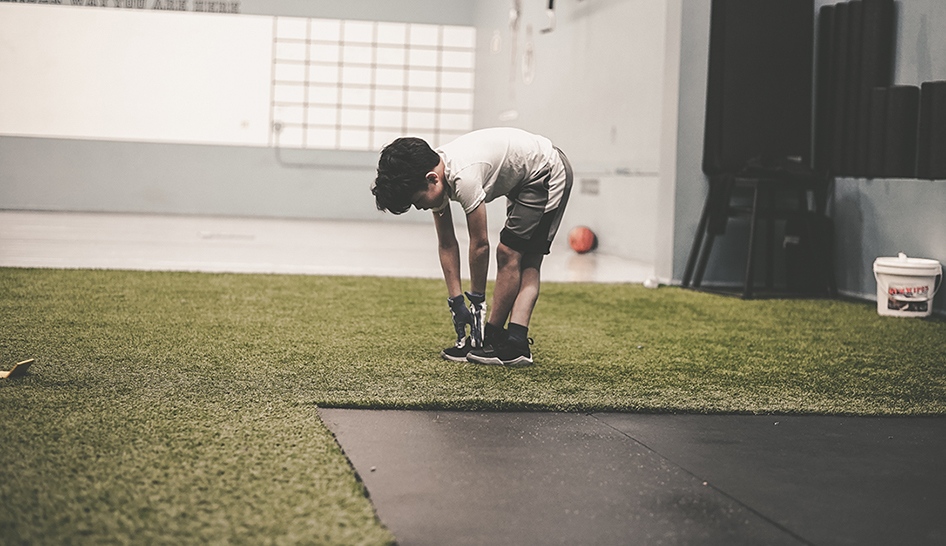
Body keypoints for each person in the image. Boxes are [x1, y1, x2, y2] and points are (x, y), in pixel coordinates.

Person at [371, 127, 573, 366]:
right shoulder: (434, 173)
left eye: (417, 201)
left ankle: (505, 341)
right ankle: (500, 340)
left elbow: (480, 245)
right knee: (516, 255)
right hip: (523, 180)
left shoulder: (463, 177)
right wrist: (456, 301)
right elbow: (447, 243)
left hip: (547, 171)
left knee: (515, 254)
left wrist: (477, 303)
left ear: (431, 179)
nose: (419, 207)